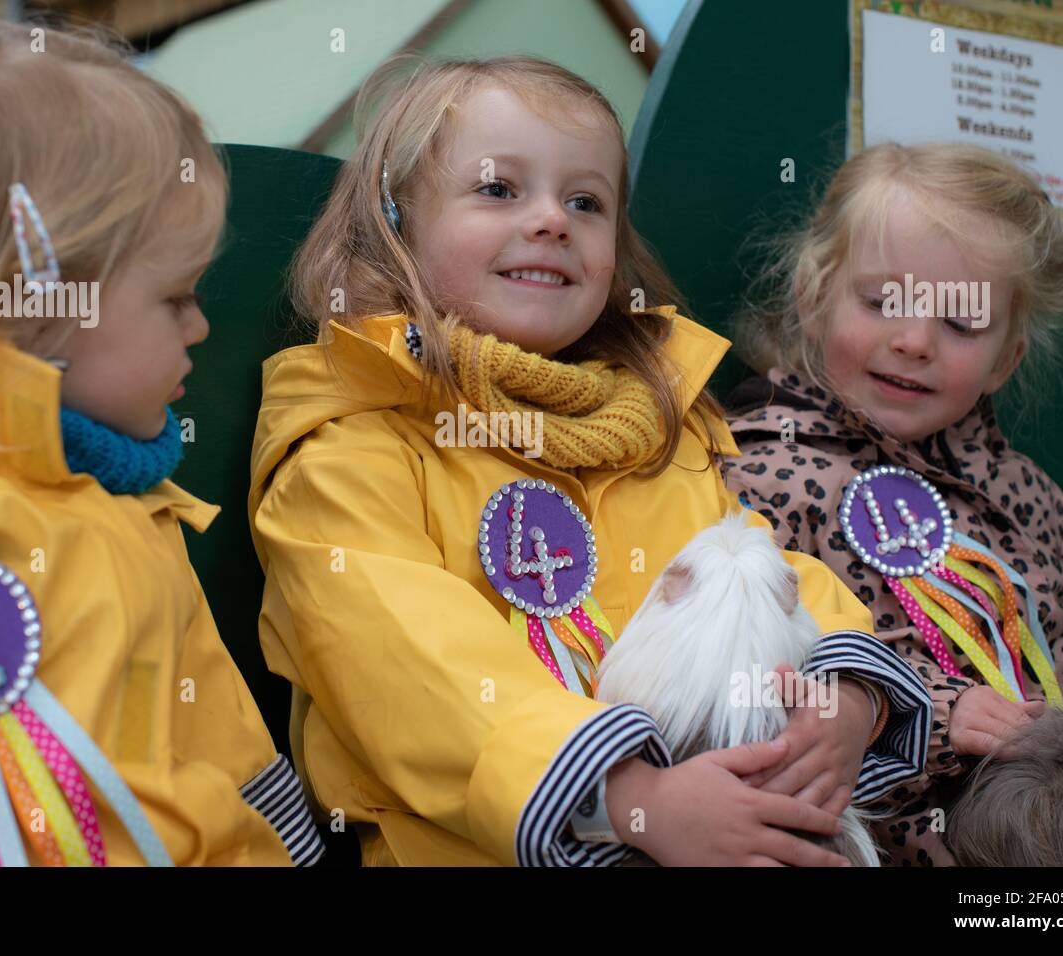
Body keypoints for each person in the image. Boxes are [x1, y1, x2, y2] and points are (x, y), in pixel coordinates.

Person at [249, 56, 930, 866]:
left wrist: (844, 696)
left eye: (586, 201)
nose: (552, 221)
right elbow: (407, 671)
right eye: (499, 189)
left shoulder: (655, 426)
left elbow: (757, 574)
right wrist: (632, 801)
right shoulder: (351, 443)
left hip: (712, 808)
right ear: (396, 224)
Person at [0, 18, 321, 866]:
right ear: (36, 303)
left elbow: (221, 738)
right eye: (175, 297)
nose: (201, 325)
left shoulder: (138, 507)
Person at [725, 142, 1063, 865]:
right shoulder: (755, 477)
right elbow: (759, 686)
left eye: (962, 324)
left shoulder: (1029, 502)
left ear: (1006, 359)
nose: (915, 341)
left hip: (1039, 846)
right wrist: (935, 712)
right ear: (812, 295)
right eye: (884, 301)